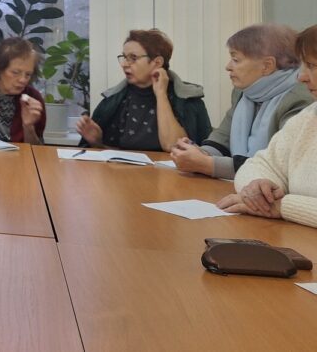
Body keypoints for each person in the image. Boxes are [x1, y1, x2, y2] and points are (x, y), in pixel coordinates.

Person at [171, 24, 313, 178]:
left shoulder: (299, 99)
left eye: (236, 60)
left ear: (267, 66)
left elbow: (278, 165)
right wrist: (199, 153)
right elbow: (222, 138)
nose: (228, 67)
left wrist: (208, 164)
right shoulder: (244, 92)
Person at [217, 25, 317, 229]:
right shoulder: (309, 117)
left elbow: (280, 205)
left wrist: (282, 206)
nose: (302, 77)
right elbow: (260, 164)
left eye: (312, 66)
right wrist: (258, 186)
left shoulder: (299, 103)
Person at [77, 29, 211, 151]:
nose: (124, 64)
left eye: (133, 58)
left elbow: (176, 148)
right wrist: (97, 143)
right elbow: (113, 157)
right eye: (124, 57)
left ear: (157, 62)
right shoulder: (112, 100)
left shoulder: (188, 100)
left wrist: (161, 94)